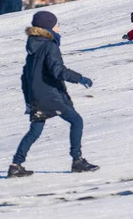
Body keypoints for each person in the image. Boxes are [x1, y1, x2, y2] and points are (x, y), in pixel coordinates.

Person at [8, 11, 98, 178]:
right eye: (56, 24)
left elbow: (25, 77)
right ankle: (77, 161)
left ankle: (16, 165)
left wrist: (30, 100)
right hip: (50, 97)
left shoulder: (33, 47)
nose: (58, 27)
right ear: (48, 27)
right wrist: (80, 78)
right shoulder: (49, 45)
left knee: (35, 131)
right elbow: (58, 71)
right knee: (76, 121)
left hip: (37, 98)